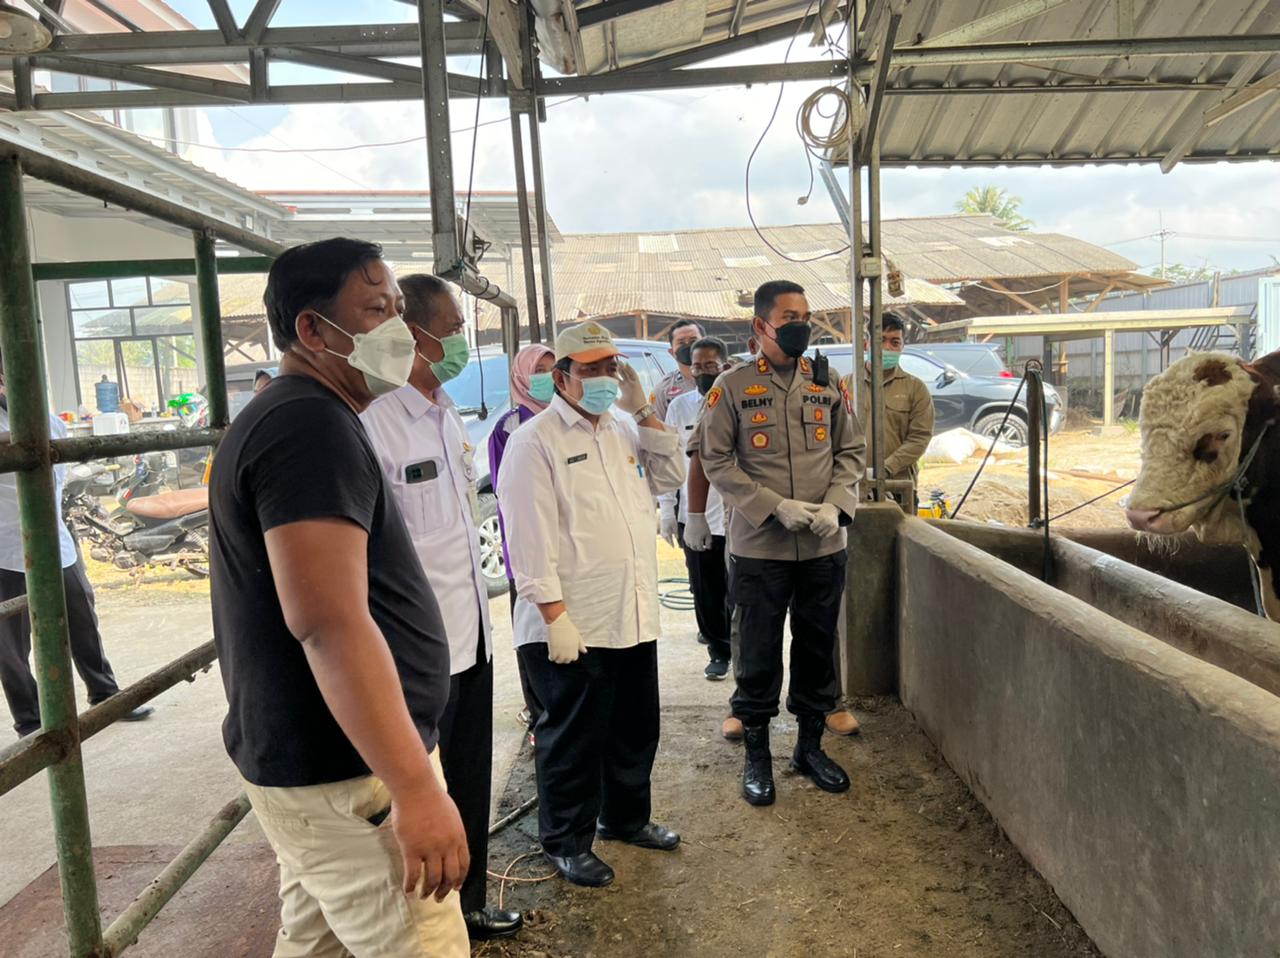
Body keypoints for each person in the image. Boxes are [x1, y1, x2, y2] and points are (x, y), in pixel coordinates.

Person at [209, 238, 470, 957]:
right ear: (313, 331)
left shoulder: (304, 413)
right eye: (377, 309)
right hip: (352, 781)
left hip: (324, 771)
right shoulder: (307, 426)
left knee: (316, 945)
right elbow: (327, 623)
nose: (400, 329)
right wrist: (415, 789)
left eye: (399, 309)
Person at [361, 274, 522, 943]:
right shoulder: (377, 423)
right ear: (416, 335)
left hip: (472, 635)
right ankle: (429, 923)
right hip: (416, 655)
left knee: (469, 779)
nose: (461, 341)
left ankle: (470, 904)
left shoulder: (445, 412)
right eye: (454, 329)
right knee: (422, 792)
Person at [498, 322, 685, 889]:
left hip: (630, 610)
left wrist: (645, 410)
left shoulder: (624, 428)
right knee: (573, 737)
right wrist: (553, 615)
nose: (605, 378)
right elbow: (526, 536)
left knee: (634, 727)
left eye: (611, 368)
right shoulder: (535, 441)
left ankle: (625, 818)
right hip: (572, 620)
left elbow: (671, 475)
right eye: (590, 370)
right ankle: (566, 841)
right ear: (561, 378)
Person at [690, 280, 865, 807]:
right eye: (789, 317)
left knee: (817, 647)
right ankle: (758, 757)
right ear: (761, 325)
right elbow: (715, 458)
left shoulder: (827, 381)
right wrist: (772, 505)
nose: (800, 326)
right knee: (758, 653)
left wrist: (836, 505)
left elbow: (851, 451)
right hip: (760, 547)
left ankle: (809, 749)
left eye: (805, 317)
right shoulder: (732, 386)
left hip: (823, 545)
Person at [0, 371, 153, 739]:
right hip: (4, 550)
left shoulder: (41, 414)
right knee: (11, 645)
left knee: (82, 617)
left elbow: (60, 442)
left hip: (54, 540)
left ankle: (106, 695)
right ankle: (31, 722)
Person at [826, 315, 934, 738]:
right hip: (850, 491)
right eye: (882, 340)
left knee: (896, 568)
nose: (889, 347)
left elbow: (919, 437)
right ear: (866, 343)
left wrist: (884, 469)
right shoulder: (846, 385)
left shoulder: (915, 389)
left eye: (896, 341)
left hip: (897, 491)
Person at [488, 342, 556, 739]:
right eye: (538, 370)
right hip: (525, 549)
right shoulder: (509, 427)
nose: (546, 378)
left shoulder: (567, 418)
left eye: (551, 369)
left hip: (566, 550)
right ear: (521, 376)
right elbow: (505, 492)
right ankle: (538, 716)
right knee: (532, 636)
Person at [660, 336, 732, 681]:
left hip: (737, 515)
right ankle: (718, 651)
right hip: (697, 514)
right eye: (697, 367)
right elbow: (671, 462)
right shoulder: (680, 407)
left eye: (710, 366)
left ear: (724, 366)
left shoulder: (740, 400)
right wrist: (667, 510)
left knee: (741, 589)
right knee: (705, 590)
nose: (703, 373)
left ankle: (742, 648)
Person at [650, 319, 703, 421]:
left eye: (693, 341)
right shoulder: (663, 390)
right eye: (681, 343)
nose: (688, 346)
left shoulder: (721, 381)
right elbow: (656, 428)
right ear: (672, 352)